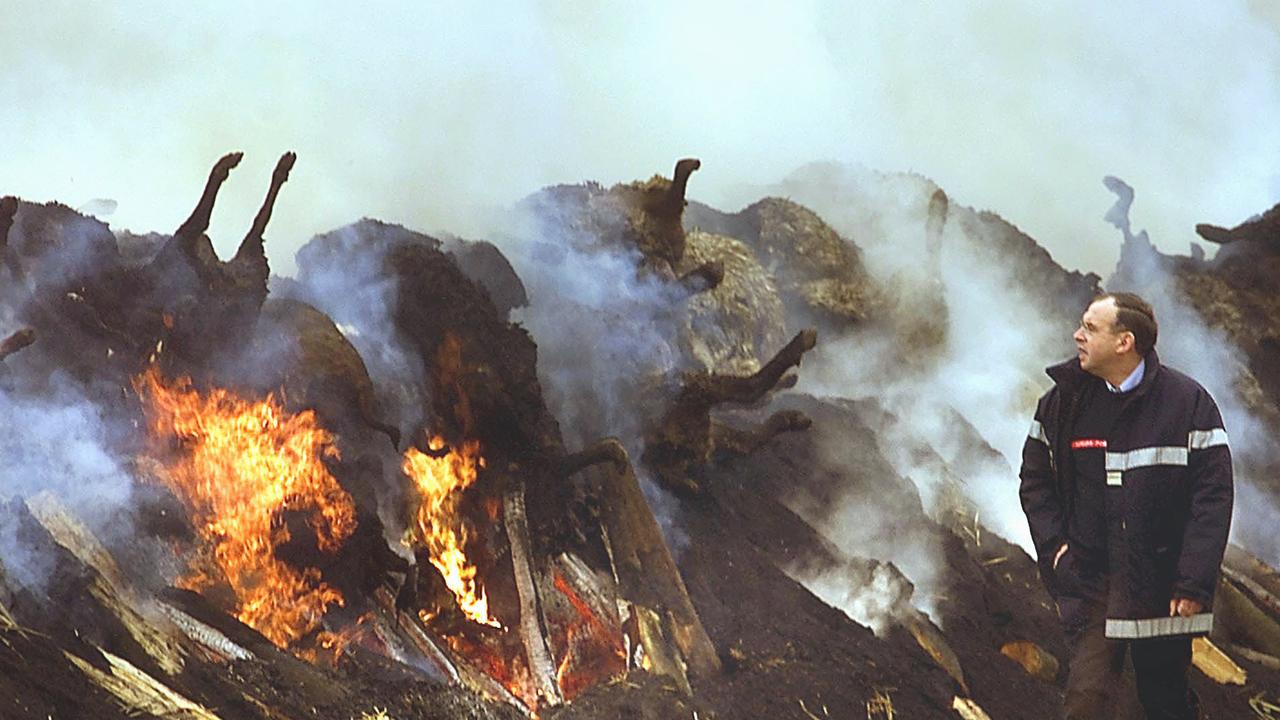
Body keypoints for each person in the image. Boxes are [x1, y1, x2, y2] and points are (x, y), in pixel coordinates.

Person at [1019, 292, 1233, 719]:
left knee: (1163, 701)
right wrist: (1057, 550)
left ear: (1125, 342)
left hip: (1163, 586)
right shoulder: (1062, 403)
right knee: (1085, 700)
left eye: (1090, 328)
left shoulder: (1188, 405)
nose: (1077, 336)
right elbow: (1035, 481)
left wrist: (1193, 583)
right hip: (1091, 584)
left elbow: (1212, 499)